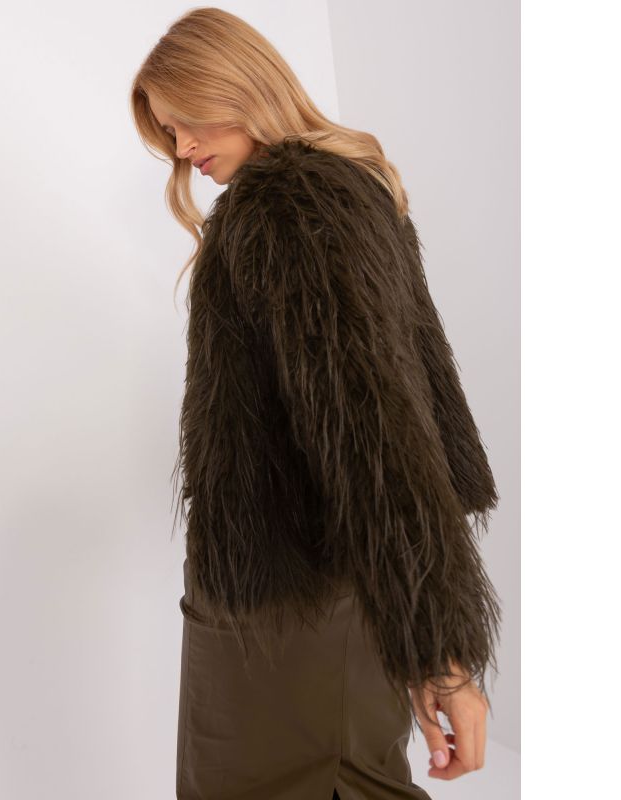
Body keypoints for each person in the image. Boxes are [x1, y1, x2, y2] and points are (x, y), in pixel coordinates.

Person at [130, 8, 501, 799]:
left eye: (187, 119)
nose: (182, 148)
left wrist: (439, 653)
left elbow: (376, 431)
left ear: (239, 86)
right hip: (297, 598)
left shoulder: (291, 206)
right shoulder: (328, 193)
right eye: (168, 132)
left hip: (295, 608)